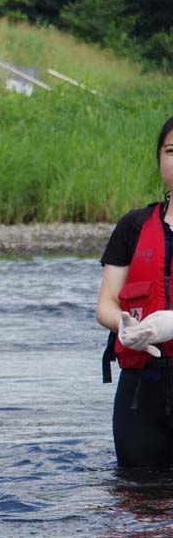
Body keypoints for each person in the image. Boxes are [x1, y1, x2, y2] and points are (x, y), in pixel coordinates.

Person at [96, 114, 173, 468]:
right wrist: (124, 328)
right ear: (159, 158)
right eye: (171, 151)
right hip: (141, 392)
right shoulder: (133, 226)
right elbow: (107, 304)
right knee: (135, 505)